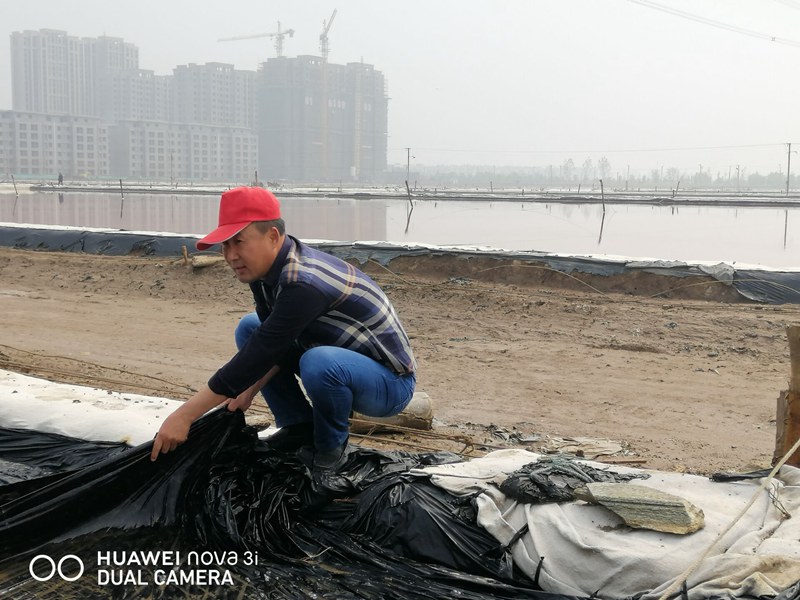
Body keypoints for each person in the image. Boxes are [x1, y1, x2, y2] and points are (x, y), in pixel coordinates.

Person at [150, 186, 417, 484]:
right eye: (225, 245)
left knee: (318, 362)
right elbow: (272, 343)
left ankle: (331, 449)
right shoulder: (264, 272)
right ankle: (298, 427)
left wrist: (185, 416)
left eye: (239, 242)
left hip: (390, 383)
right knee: (250, 327)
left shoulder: (303, 282)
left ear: (273, 236)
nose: (231, 255)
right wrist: (247, 390)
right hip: (338, 360)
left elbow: (263, 351)